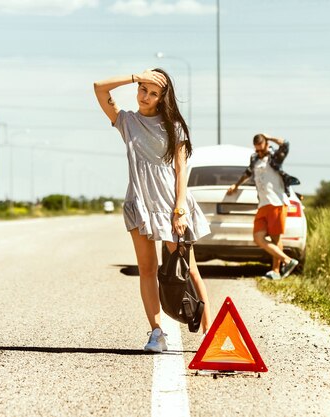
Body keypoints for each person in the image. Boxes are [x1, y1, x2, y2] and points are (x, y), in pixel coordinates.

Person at [93, 68, 212, 353]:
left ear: (162, 98)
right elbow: (99, 88)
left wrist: (180, 207)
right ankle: (157, 333)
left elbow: (182, 168)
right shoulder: (127, 121)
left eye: (153, 92)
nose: (145, 96)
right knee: (147, 269)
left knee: (189, 270)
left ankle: (210, 335)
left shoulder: (174, 127)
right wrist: (136, 76)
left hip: (171, 204)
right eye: (142, 89)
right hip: (140, 203)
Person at [227, 133, 300, 280]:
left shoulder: (275, 157)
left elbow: (286, 144)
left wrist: (269, 137)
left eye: (262, 149)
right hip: (263, 203)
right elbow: (247, 172)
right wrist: (236, 185)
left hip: (276, 202)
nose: (259, 152)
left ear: (266, 145)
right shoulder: (255, 158)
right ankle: (288, 260)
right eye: (257, 150)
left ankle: (276, 271)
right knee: (258, 237)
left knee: (275, 238)